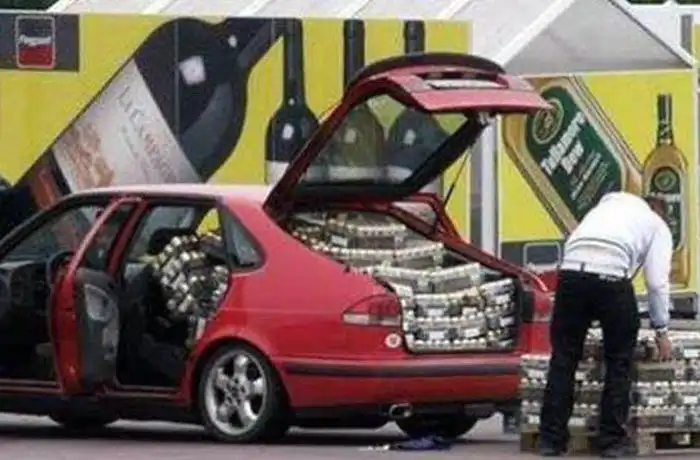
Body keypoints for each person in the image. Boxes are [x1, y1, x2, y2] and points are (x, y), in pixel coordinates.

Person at [537, 192, 674, 458]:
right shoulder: (656, 224)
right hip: (611, 279)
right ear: (659, 212)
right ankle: (611, 441)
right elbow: (657, 282)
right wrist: (661, 329)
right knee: (619, 360)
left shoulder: (603, 210)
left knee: (563, 358)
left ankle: (550, 440)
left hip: (570, 276)